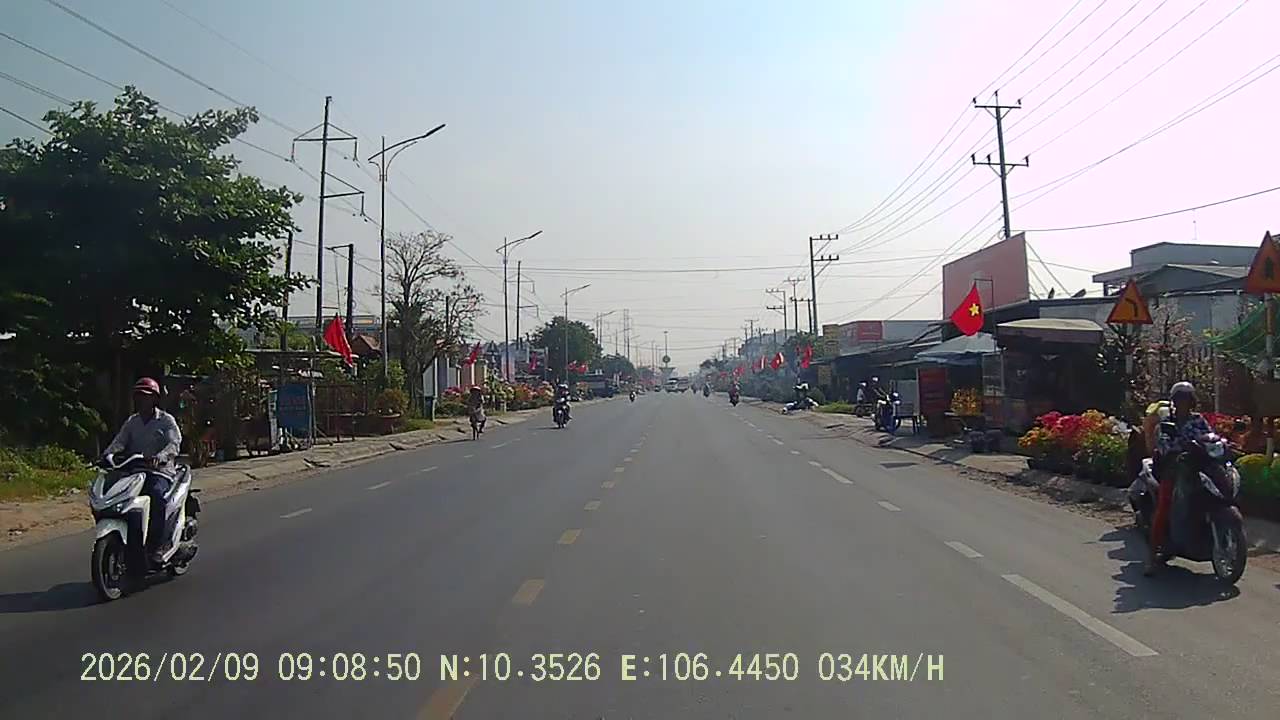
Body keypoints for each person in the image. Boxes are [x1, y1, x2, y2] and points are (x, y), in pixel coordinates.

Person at [103, 377, 183, 561]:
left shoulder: (166, 420)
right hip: (134, 472)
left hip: (159, 472)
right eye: (139, 396)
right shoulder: (132, 422)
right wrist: (108, 455)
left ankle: (159, 544)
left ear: (155, 399)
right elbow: (119, 442)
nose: (142, 400)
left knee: (157, 497)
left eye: (146, 396)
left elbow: (174, 443)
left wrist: (161, 457)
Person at [1145, 381, 1212, 575]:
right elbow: (1163, 444)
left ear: (1192, 401)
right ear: (1174, 401)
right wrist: (1179, 447)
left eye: (1187, 399)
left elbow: (1210, 436)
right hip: (1174, 469)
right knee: (1164, 505)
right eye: (1180, 399)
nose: (1183, 403)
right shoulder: (1167, 423)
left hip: (1199, 466)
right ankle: (1151, 557)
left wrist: (1219, 443)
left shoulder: (1198, 420)